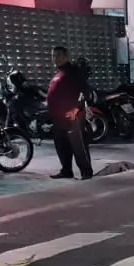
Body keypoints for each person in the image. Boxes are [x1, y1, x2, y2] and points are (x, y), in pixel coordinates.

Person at [47, 45, 92, 180]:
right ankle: (66, 170)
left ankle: (86, 172)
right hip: (58, 117)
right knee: (61, 145)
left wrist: (76, 108)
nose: (56, 58)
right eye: (53, 56)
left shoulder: (73, 72)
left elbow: (86, 92)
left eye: (59, 55)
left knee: (78, 145)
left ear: (66, 56)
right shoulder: (59, 73)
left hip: (72, 116)